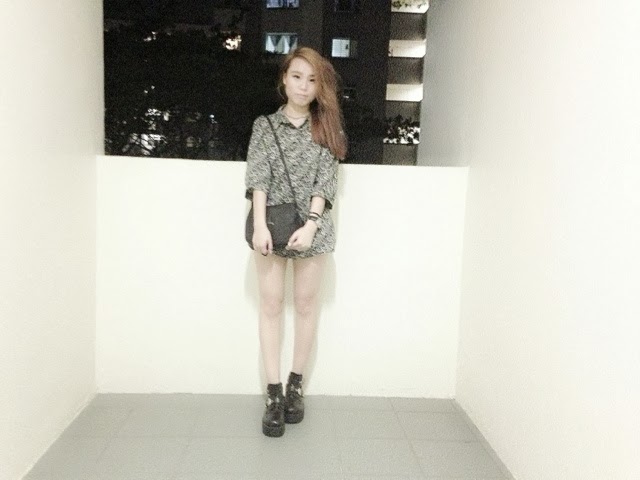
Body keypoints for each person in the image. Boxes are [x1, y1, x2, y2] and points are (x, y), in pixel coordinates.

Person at [244, 47, 347, 437]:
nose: (304, 86)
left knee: (305, 306)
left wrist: (312, 225)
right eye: (297, 77)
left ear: (320, 87)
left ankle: (295, 387)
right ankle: (272, 394)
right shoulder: (264, 126)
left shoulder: (327, 127)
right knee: (271, 306)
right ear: (284, 79)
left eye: (312, 80)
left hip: (313, 231)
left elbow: (325, 182)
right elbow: (258, 179)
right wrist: (259, 226)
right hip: (271, 227)